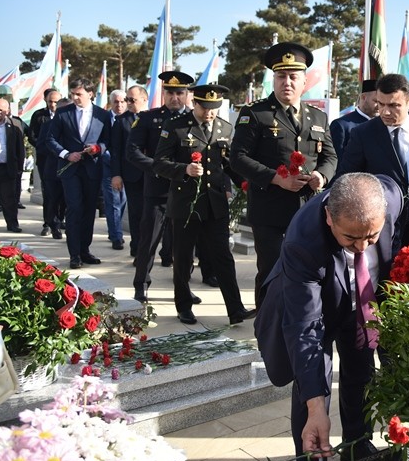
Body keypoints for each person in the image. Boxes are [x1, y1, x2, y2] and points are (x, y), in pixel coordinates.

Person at [254, 172, 402, 461]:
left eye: (371, 236)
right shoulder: (302, 241)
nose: (362, 247)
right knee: (311, 386)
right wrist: (316, 408)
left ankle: (357, 445)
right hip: (315, 303)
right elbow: (305, 327)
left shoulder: (391, 197)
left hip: (361, 297)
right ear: (329, 218)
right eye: (351, 238)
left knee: (361, 370)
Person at [231, 42, 338, 307]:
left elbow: (330, 157)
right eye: (281, 76)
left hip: (308, 210)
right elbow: (238, 158)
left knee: (309, 269)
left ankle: (300, 320)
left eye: (293, 77)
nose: (286, 82)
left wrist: (321, 177)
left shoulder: (318, 117)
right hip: (270, 212)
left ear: (304, 81)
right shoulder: (255, 113)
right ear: (274, 80)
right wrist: (277, 178)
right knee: (271, 271)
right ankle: (267, 327)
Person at [153, 84, 254, 326]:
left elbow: (229, 163)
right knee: (184, 257)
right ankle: (184, 306)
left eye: (214, 108)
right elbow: (159, 163)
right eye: (205, 107)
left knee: (223, 257)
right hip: (186, 204)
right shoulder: (175, 127)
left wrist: (245, 182)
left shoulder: (225, 128)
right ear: (195, 103)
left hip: (215, 204)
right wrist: (184, 170)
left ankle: (235, 308)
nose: (209, 113)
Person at [337, 73, 409, 253]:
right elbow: (345, 180)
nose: (385, 112)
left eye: (393, 105)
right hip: (379, 233)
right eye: (380, 104)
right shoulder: (363, 134)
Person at [129, 71, 193, 300]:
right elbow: (133, 151)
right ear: (163, 93)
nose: (175, 97)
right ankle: (141, 284)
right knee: (149, 241)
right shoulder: (149, 119)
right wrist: (157, 167)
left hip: (186, 191)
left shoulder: (194, 120)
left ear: (187, 94)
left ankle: (184, 290)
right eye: (170, 92)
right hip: (157, 190)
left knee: (184, 247)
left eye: (179, 93)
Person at [46, 77, 113, 269]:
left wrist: (97, 149)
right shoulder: (62, 113)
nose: (75, 98)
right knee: (74, 208)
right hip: (71, 170)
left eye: (79, 94)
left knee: (89, 210)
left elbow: (107, 140)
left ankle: (85, 249)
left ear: (91, 94)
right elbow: (50, 139)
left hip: (92, 169)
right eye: (73, 94)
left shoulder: (103, 115)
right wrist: (67, 154)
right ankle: (74, 254)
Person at [111, 85, 148, 256]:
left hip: (152, 174)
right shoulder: (121, 120)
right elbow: (116, 150)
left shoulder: (154, 118)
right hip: (131, 174)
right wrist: (116, 174)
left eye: (132, 100)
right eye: (127, 100)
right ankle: (137, 249)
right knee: (136, 213)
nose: (128, 103)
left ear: (144, 100)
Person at [29, 89, 64, 237]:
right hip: (47, 163)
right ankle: (49, 223)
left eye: (56, 102)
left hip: (66, 165)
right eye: (51, 101)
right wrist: (54, 150)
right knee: (49, 194)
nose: (53, 105)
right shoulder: (41, 118)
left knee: (64, 196)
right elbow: (35, 139)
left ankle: (59, 220)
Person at [0, 98, 26, 233]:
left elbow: (20, 149)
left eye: (1, 110)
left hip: (7, 168)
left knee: (9, 199)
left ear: (7, 111)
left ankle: (12, 223)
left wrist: (19, 168)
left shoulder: (15, 124)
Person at [102, 89, 129, 250]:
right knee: (113, 201)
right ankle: (116, 236)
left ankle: (114, 229)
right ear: (111, 103)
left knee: (123, 200)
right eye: (116, 102)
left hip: (126, 166)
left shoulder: (131, 118)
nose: (119, 105)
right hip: (108, 165)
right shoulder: (104, 118)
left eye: (122, 101)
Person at [329, 79, 378, 159]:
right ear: (363, 97)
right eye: (376, 101)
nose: (379, 106)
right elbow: (337, 161)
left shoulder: (384, 124)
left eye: (382, 102)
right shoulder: (341, 126)